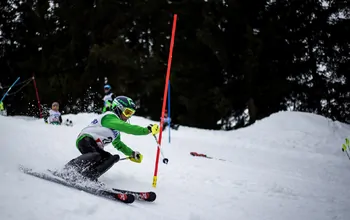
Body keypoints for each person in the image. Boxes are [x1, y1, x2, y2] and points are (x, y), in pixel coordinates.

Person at [62, 95, 160, 182]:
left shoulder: (115, 131)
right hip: (85, 139)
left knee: (111, 158)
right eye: (127, 112)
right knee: (96, 155)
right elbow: (128, 128)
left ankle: (88, 177)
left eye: (131, 114)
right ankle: (68, 169)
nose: (128, 117)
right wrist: (146, 130)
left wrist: (132, 154)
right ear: (118, 108)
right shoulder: (110, 117)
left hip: (95, 146)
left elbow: (118, 144)